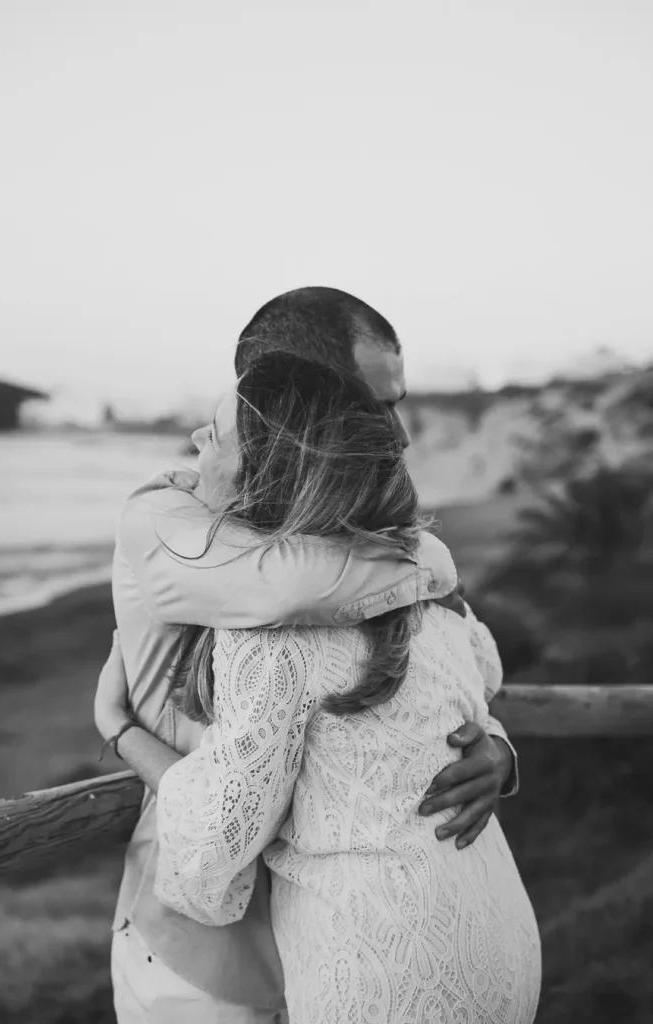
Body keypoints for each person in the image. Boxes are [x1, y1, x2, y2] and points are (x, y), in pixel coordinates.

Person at [98, 287, 519, 1023]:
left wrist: (497, 747)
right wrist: (424, 563)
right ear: (300, 403)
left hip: (346, 919)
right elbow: (292, 590)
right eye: (373, 404)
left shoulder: (356, 537)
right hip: (205, 933)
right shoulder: (164, 513)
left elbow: (451, 661)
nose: (397, 435)